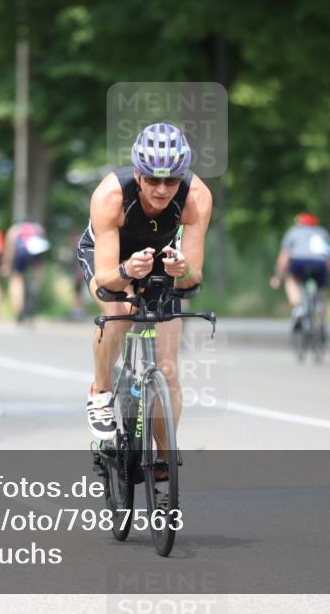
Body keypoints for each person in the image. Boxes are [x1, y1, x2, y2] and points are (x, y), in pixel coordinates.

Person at [78, 122, 213, 447]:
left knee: (168, 370)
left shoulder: (196, 197)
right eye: (153, 179)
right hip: (112, 258)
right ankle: (101, 392)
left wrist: (182, 269)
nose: (162, 190)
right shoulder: (110, 196)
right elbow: (106, 278)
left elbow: (192, 279)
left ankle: (165, 461)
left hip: (160, 259)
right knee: (121, 311)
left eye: (172, 180)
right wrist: (127, 269)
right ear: (138, 175)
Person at [270, 212, 330, 324]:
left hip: (300, 262)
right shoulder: (322, 232)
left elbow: (284, 257)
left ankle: (298, 306)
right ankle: (321, 313)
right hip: (320, 263)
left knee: (291, 281)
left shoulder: (293, 232)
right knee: (322, 289)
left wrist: (277, 277)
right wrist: (328, 272)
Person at [1, 219, 50, 322]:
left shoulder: (14, 229)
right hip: (36, 252)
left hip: (21, 252)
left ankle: (19, 309)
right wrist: (41, 265)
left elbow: (10, 247)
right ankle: (35, 287)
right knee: (37, 271)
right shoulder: (38, 228)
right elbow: (44, 245)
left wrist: (6, 264)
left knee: (16, 279)